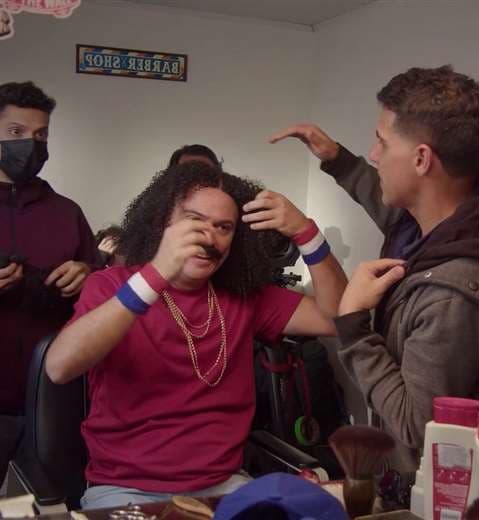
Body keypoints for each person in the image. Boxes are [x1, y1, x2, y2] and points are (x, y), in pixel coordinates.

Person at [271, 65, 479, 471]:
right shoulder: (453, 218)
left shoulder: (455, 295)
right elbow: (390, 206)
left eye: (382, 142)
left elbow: (415, 427)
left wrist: (353, 325)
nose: (373, 154)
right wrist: (338, 160)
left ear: (421, 159)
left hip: (437, 486)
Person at [45, 161, 347, 508]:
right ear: (163, 223)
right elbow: (59, 367)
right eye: (194, 221)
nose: (208, 237)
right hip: (125, 490)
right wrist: (157, 274)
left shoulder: (245, 296)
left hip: (224, 486)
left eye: (223, 227)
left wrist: (307, 234)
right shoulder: (110, 285)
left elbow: (339, 319)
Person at [0, 81, 99, 479]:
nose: (31, 144)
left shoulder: (67, 213)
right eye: (16, 132)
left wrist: (86, 274)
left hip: (52, 399)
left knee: (50, 499)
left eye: (40, 135)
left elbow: (103, 293)